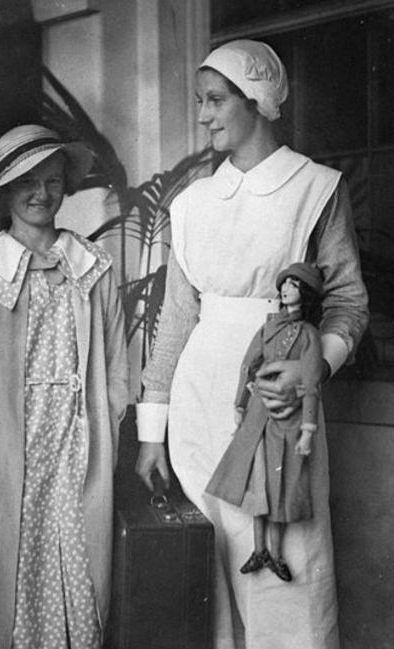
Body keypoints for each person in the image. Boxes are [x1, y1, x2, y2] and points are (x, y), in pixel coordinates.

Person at [135, 40, 368, 649]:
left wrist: (311, 370)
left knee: (285, 572)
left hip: (278, 406)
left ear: (258, 101)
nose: (204, 115)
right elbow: (176, 319)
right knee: (206, 576)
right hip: (196, 407)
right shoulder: (190, 205)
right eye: (199, 101)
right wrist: (151, 432)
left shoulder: (315, 188)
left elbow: (348, 303)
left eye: (216, 101)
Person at [0, 124, 129, 649]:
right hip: (11, 439)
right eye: (27, 182)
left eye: (52, 181)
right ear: (5, 191)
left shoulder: (93, 266)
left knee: (77, 556)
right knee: (14, 554)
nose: (41, 193)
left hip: (78, 435)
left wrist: (108, 430)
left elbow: (116, 364)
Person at [206, 262, 325, 584]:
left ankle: (276, 552)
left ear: (306, 294)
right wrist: (239, 404)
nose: (287, 289)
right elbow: (249, 364)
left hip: (289, 417)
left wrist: (308, 431)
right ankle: (259, 550)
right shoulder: (267, 327)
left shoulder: (310, 334)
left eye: (295, 285)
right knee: (257, 482)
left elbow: (311, 383)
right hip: (258, 413)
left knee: (282, 485)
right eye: (285, 283)